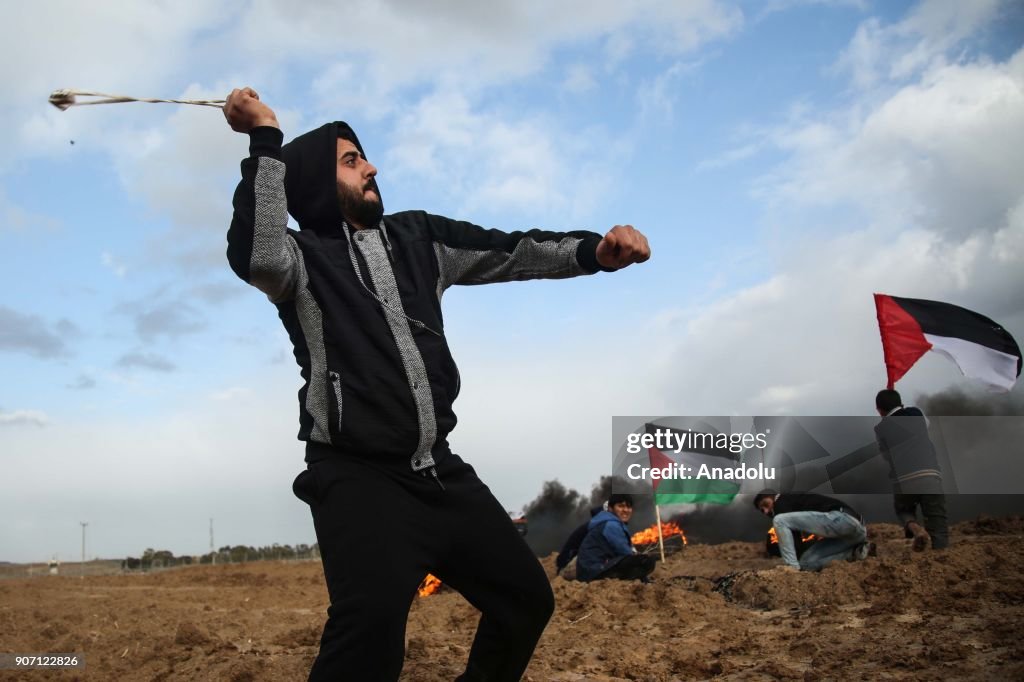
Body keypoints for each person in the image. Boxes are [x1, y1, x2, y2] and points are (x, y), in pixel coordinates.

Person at [222, 87, 651, 682]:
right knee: (369, 638)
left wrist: (592, 252)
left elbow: (511, 251)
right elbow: (258, 253)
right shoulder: (300, 258)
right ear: (318, 182)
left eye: (365, 156)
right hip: (356, 478)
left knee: (527, 599)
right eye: (351, 160)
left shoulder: (420, 238)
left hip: (437, 471)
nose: (371, 166)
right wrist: (265, 137)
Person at [874, 389, 949, 551]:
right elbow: (927, 426)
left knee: (903, 510)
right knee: (937, 521)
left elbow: (886, 456)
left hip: (903, 480)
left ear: (879, 410)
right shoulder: (915, 413)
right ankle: (941, 556)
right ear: (900, 402)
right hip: (930, 474)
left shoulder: (880, 429)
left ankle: (915, 528)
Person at [753, 490, 873, 572]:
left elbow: (796, 543)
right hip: (856, 534)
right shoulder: (793, 507)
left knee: (779, 520)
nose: (766, 511)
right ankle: (858, 552)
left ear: (774, 496)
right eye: (762, 510)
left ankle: (791, 569)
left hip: (843, 519)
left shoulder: (781, 501)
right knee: (806, 563)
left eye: (765, 504)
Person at [576, 494, 656, 582]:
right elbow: (625, 552)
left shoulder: (609, 522)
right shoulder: (611, 524)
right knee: (646, 561)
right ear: (610, 508)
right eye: (621, 506)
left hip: (591, 570)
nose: (625, 510)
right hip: (593, 571)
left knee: (637, 560)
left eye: (629, 507)